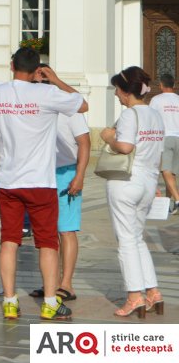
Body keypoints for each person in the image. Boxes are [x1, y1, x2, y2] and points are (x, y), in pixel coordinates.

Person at [0, 48, 85, 322]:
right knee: (47, 243)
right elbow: (81, 105)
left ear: (11, 65)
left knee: (9, 240)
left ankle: (10, 301)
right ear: (38, 70)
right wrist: (56, 79)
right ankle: (50, 302)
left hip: (9, 180)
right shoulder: (46, 93)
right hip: (40, 182)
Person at [100, 66, 166, 318]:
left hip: (126, 181)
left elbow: (125, 147)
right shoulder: (155, 115)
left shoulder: (130, 115)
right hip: (148, 181)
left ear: (126, 92)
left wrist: (108, 137)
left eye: (117, 89)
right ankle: (153, 291)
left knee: (126, 241)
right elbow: (157, 153)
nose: (116, 94)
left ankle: (134, 296)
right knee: (137, 238)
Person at [27, 90, 90, 303]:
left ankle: (67, 284)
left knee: (66, 229)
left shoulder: (72, 111)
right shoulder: (38, 109)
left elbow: (85, 143)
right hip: (43, 174)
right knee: (47, 232)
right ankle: (50, 283)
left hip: (66, 172)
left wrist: (79, 176)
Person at [149, 74, 179, 209]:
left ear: (160, 85)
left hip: (165, 137)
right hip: (178, 137)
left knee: (166, 170)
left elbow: (151, 119)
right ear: (173, 85)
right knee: (172, 172)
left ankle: (178, 200)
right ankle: (168, 203)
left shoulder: (156, 100)